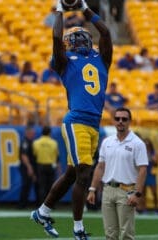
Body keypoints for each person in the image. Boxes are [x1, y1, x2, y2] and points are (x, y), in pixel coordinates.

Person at [30, 1, 112, 238]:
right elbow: (56, 40)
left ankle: (42, 212)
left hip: (93, 125)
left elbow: (105, 32)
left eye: (79, 37)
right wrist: (59, 11)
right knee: (85, 173)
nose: (77, 40)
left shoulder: (102, 59)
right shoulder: (65, 62)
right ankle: (78, 228)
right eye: (74, 38)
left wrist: (85, 8)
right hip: (76, 120)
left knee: (73, 173)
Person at [87, 107, 147, 239]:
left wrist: (137, 193)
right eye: (117, 119)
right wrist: (92, 189)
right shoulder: (107, 142)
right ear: (113, 121)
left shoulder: (137, 143)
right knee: (109, 233)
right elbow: (100, 166)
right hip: (108, 190)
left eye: (124, 119)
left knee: (126, 233)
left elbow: (143, 169)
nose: (120, 121)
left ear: (129, 121)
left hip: (127, 191)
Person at [33, 126, 59, 205]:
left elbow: (35, 154)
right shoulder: (54, 142)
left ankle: (42, 203)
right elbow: (57, 156)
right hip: (51, 166)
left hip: (41, 165)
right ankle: (50, 204)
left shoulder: (36, 142)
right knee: (51, 186)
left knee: (42, 186)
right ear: (50, 133)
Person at [137, 137, 158, 214]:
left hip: (151, 174)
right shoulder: (141, 152)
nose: (147, 145)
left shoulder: (154, 152)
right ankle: (144, 208)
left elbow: (156, 164)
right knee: (143, 193)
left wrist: (153, 159)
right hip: (144, 174)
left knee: (154, 192)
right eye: (145, 143)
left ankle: (156, 209)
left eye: (148, 143)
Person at [19, 126, 39, 209]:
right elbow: (24, 155)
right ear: (28, 133)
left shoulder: (32, 142)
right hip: (27, 167)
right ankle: (22, 205)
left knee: (36, 185)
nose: (34, 134)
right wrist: (29, 167)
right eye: (32, 133)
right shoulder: (25, 142)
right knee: (26, 185)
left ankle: (37, 204)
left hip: (33, 166)